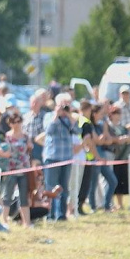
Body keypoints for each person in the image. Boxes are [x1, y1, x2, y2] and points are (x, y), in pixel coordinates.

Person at [42, 93, 78, 221]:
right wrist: (56, 115)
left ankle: (61, 214)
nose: (65, 107)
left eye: (67, 105)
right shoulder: (49, 116)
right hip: (52, 156)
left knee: (64, 187)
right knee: (51, 187)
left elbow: (78, 131)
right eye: (63, 105)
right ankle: (50, 214)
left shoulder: (70, 119)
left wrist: (69, 115)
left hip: (66, 157)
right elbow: (48, 130)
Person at [1, 114, 32, 227]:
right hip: (11, 169)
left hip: (24, 169)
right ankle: (4, 220)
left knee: (24, 196)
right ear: (10, 123)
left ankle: (26, 222)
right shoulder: (6, 136)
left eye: (19, 121)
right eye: (14, 122)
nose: (17, 124)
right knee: (7, 195)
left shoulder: (25, 136)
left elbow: (29, 148)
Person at [88, 105, 118, 212]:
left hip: (103, 157)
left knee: (113, 181)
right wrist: (104, 134)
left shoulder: (100, 126)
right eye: (101, 113)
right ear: (94, 114)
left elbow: (108, 141)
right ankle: (93, 207)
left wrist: (104, 135)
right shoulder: (90, 126)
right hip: (94, 158)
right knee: (93, 184)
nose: (102, 116)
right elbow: (99, 141)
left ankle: (107, 205)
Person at [107, 105, 130, 209]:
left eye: (119, 113)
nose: (117, 116)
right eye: (115, 114)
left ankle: (122, 204)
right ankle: (114, 203)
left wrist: (129, 138)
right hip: (114, 158)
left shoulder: (123, 127)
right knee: (115, 181)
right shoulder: (109, 127)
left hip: (124, 158)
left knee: (124, 180)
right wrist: (119, 139)